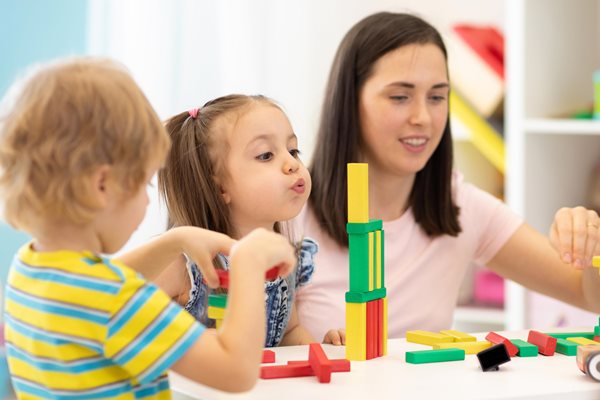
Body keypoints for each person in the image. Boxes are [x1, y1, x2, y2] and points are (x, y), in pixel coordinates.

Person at [295, 12, 600, 343]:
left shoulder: (460, 207)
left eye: (437, 97)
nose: (423, 118)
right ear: (349, 101)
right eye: (400, 96)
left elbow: (586, 294)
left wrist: (592, 244)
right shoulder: (289, 213)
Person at [0, 58, 297, 397]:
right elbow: (235, 373)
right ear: (102, 185)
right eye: (144, 184)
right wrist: (248, 265)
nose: (146, 201)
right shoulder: (118, 302)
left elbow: (106, 277)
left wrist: (174, 241)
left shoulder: (30, 268)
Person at [155, 94, 338, 346]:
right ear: (218, 188)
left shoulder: (281, 257)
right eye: (265, 156)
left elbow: (289, 333)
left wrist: (325, 354)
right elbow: (123, 331)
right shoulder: (179, 263)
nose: (292, 164)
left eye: (293, 150)